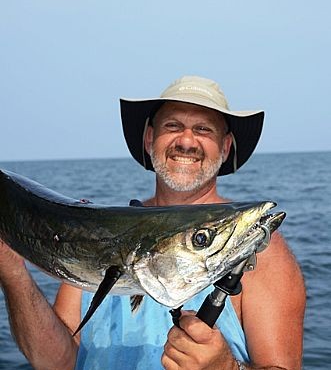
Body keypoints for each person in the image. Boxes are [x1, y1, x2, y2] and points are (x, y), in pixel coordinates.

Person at [0, 76, 305, 370]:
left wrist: (226, 368)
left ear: (225, 148)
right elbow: (56, 363)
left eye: (203, 129)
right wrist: (13, 271)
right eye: (173, 126)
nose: (187, 141)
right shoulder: (99, 232)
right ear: (149, 138)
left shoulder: (261, 251)